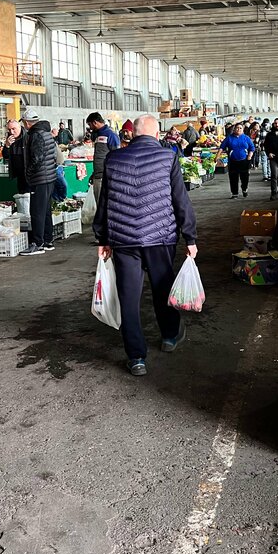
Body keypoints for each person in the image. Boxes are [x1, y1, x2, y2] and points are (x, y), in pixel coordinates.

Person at [94, 114, 198, 377]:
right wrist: (190, 237)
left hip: (124, 240)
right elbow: (180, 200)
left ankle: (136, 357)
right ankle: (170, 336)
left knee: (129, 298)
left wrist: (103, 238)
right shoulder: (167, 158)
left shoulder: (114, 159)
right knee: (163, 288)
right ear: (156, 133)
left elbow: (104, 201)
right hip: (159, 238)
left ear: (133, 134)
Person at [19, 108, 58, 255]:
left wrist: (29, 173)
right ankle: (48, 241)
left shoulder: (35, 135)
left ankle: (38, 243)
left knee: (36, 211)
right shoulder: (46, 133)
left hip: (40, 178)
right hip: (49, 177)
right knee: (45, 210)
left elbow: (36, 158)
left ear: (27, 123)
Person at [87, 112, 120, 204]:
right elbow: (99, 155)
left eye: (90, 124)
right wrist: (94, 173)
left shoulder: (111, 135)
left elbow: (116, 156)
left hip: (106, 177)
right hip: (98, 176)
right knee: (99, 205)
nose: (90, 127)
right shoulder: (98, 135)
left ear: (95, 122)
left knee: (105, 206)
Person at [219, 122, 255, 199]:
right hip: (233, 161)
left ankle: (244, 189)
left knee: (245, 177)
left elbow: (252, 148)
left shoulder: (246, 138)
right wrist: (217, 156)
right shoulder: (229, 138)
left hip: (244, 161)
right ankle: (234, 193)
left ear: (243, 129)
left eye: (240, 128)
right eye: (237, 128)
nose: (238, 129)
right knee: (233, 178)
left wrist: (249, 156)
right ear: (234, 129)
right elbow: (222, 147)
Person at [2, 118, 29, 194]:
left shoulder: (28, 136)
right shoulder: (10, 139)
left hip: (29, 174)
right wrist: (7, 145)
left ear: (20, 127)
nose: (11, 132)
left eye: (14, 129)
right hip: (19, 175)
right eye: (9, 129)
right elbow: (5, 156)